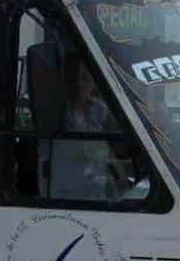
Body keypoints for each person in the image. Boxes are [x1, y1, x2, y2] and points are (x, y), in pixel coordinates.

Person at [46, 52, 125, 201]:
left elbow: (120, 143)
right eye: (73, 76)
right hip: (69, 196)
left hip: (99, 192)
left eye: (84, 76)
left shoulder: (99, 109)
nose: (79, 82)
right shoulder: (56, 112)